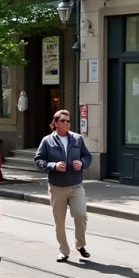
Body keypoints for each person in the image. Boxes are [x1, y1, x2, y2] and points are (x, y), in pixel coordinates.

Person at [34, 109, 92, 263]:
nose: (67, 123)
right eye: (63, 121)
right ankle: (63, 251)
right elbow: (39, 160)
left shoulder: (77, 139)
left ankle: (80, 245)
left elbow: (87, 156)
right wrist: (53, 165)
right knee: (59, 221)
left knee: (81, 215)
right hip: (57, 187)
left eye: (68, 121)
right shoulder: (48, 141)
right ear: (55, 123)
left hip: (76, 185)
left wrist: (82, 163)